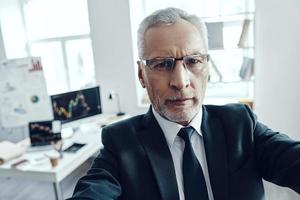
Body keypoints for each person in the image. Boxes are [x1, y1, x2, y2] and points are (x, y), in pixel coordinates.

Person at [68, 7, 300, 200]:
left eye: (193, 61)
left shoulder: (240, 124)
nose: (180, 82)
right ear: (141, 75)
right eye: (162, 64)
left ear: (207, 68)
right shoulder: (120, 142)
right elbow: (93, 191)